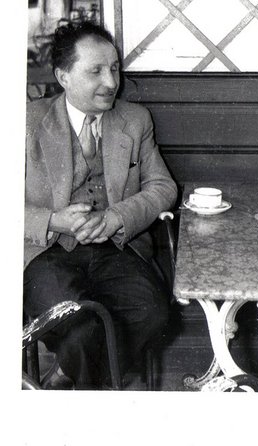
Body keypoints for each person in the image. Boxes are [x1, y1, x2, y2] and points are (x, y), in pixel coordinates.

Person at [24, 22, 178, 389]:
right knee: (79, 328)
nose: (111, 82)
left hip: (116, 249)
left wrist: (115, 217)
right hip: (45, 252)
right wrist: (53, 220)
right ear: (64, 76)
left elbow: (163, 187)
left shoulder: (135, 120)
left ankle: (69, 373)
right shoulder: (25, 122)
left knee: (153, 313)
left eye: (114, 68)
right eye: (95, 71)